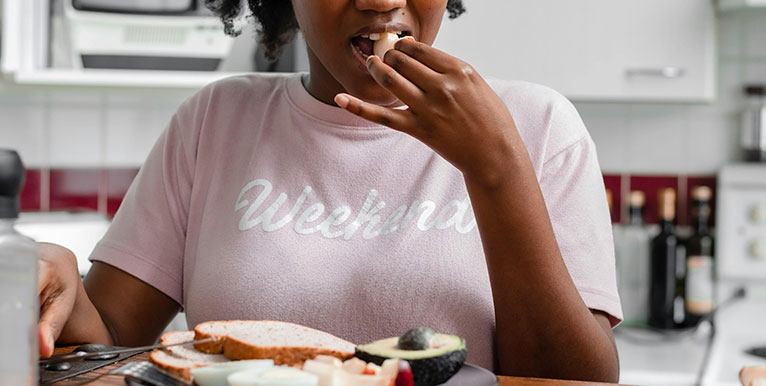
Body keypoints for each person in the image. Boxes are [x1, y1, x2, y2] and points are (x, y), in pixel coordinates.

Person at [37, 0, 623, 382]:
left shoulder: (537, 125)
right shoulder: (216, 120)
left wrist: (496, 169)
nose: (381, 1)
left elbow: (580, 380)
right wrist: (54, 285)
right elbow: (106, 344)